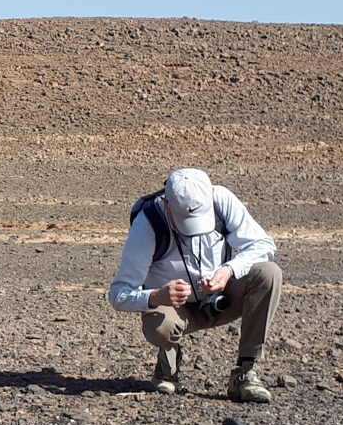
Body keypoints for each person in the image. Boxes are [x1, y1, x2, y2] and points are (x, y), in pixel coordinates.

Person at [108, 168, 282, 403]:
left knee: (268, 273)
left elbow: (264, 245)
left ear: (210, 196)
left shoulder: (221, 200)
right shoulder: (148, 223)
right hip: (175, 310)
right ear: (167, 205)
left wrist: (229, 269)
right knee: (160, 327)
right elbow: (119, 293)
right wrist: (157, 297)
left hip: (223, 298)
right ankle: (167, 363)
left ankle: (246, 372)